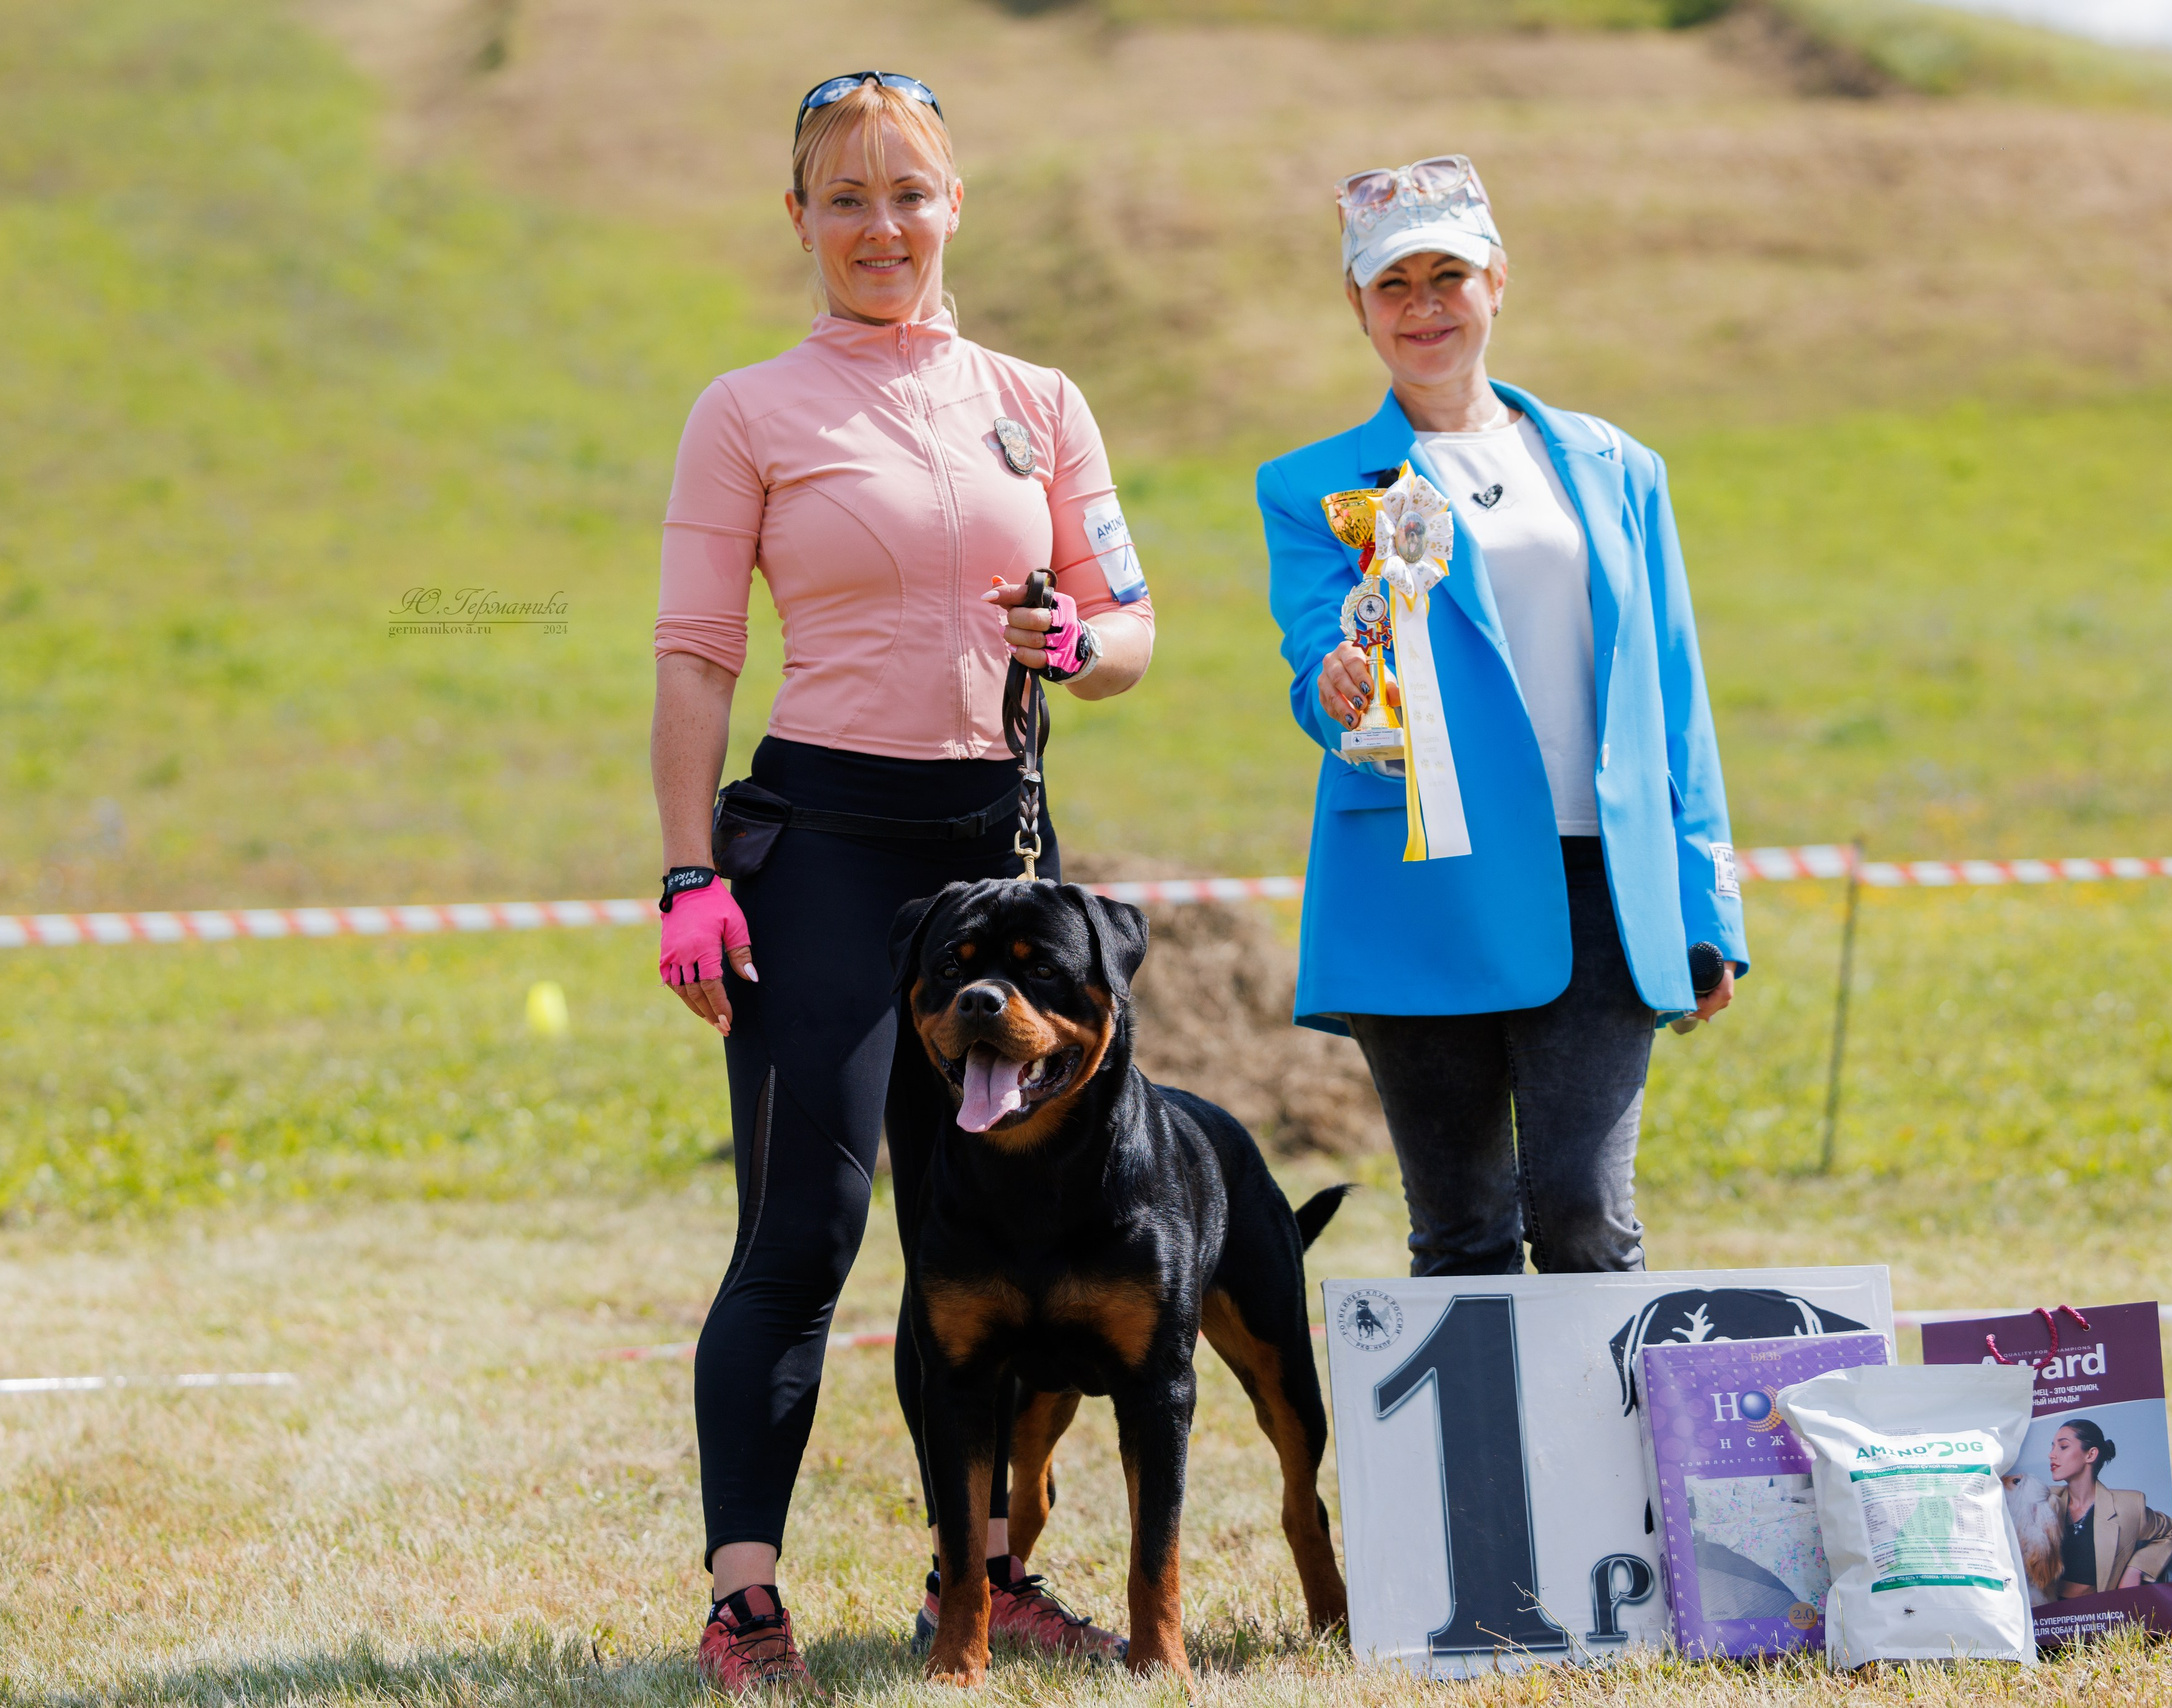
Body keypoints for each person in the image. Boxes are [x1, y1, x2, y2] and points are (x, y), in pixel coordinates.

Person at [651, 71, 1154, 1691]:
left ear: (954, 205)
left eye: (910, 193)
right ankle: (746, 1597)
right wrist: (684, 874)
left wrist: (1077, 645)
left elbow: (1129, 629)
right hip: (821, 850)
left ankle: (994, 1570)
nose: (883, 225)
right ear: (799, 218)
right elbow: (693, 656)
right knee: (806, 1227)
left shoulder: (1041, 397)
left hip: (998, 856)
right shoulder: (747, 408)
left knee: (1003, 1230)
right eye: (847, 198)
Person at [1258, 155, 1743, 1278]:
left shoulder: (1619, 464)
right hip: (1420, 884)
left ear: (1497, 281)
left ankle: (1603, 1460)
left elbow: (1674, 690)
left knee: (1585, 1216)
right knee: (1463, 1233)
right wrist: (1335, 693)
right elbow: (1316, 667)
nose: (1424, 307)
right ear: (1357, 305)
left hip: (1601, 887)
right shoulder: (1308, 484)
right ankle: (1475, 1466)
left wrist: (1706, 896)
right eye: (1393, 286)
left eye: (1447, 276)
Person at [2047, 1419, 2172, 1597]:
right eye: (2052, 1447)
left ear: (2091, 1455)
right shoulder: (2042, 1499)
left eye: (2063, 1447)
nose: (2051, 1455)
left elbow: (2169, 1532)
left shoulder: (2129, 1505)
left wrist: (2136, 1568)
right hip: (2046, 1615)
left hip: (2099, 1615)